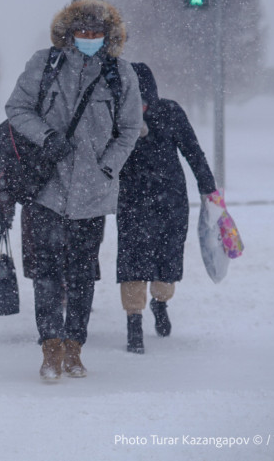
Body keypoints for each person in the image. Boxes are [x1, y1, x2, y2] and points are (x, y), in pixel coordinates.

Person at [0, 0, 142, 379]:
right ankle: (50, 348)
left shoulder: (120, 73)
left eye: (96, 31)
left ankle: (75, 347)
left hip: (92, 195)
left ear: (107, 34)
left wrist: (106, 168)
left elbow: (129, 130)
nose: (89, 36)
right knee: (45, 273)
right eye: (82, 30)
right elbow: (16, 108)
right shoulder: (44, 64)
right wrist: (46, 137)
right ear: (69, 31)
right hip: (45, 188)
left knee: (81, 274)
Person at [115, 62, 218, 354]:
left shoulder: (171, 112)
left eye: (145, 101)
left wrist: (208, 188)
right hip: (131, 201)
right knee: (132, 263)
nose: (142, 108)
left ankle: (161, 304)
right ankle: (133, 322)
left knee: (167, 260)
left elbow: (192, 151)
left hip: (169, 200)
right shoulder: (117, 116)